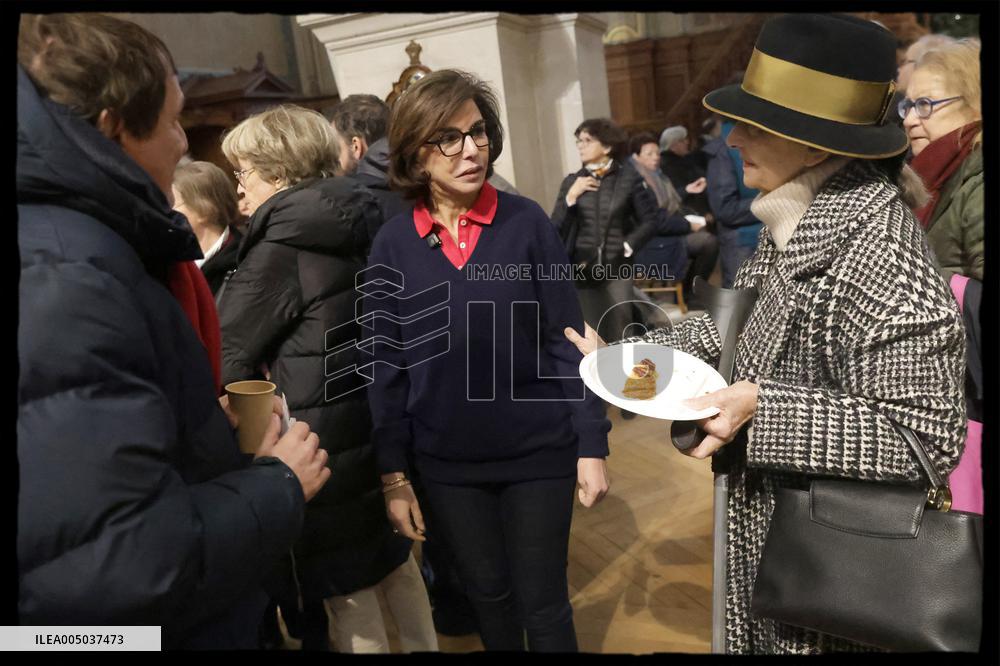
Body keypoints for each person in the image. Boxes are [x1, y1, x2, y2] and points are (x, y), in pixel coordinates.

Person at [566, 14, 965, 654]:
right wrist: (624, 362)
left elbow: (924, 435)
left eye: (754, 125)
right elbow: (731, 330)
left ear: (814, 146)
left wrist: (764, 409)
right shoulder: (793, 223)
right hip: (781, 552)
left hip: (835, 590)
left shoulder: (879, 255)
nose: (729, 139)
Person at [17, 13, 329, 649]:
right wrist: (277, 484)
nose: (185, 142)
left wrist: (197, 428)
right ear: (113, 126)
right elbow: (118, 572)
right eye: (172, 119)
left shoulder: (81, 250)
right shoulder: (65, 273)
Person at [367, 69, 612, 652]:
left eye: (477, 132)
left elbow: (569, 340)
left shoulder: (526, 222)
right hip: (446, 464)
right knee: (489, 600)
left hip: (539, 450)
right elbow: (385, 366)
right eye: (448, 138)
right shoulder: (392, 244)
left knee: (544, 604)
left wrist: (592, 442)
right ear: (414, 154)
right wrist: (394, 476)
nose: (470, 149)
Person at [218, 104, 437, 654]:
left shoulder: (282, 245)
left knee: (349, 597)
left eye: (242, 172)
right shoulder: (368, 212)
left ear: (276, 169)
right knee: (396, 569)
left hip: (318, 445)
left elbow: (225, 355)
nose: (239, 189)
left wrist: (253, 434)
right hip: (380, 426)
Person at [551, 118, 700, 345]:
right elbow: (556, 229)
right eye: (578, 141)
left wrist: (628, 246)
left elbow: (650, 220)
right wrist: (571, 197)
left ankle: (622, 380)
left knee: (621, 332)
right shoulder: (572, 181)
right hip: (581, 270)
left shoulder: (629, 178)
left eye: (587, 140)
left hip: (617, 269)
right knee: (589, 336)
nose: (580, 145)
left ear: (607, 147)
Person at [903, 38, 982, 282]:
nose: (909, 120)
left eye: (925, 104)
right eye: (908, 105)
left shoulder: (978, 183)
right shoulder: (925, 173)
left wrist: (911, 277)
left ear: (974, 104)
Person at [629, 131, 719, 302]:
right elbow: (655, 220)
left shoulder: (657, 176)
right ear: (637, 157)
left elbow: (665, 204)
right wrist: (687, 225)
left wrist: (687, 190)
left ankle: (692, 290)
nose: (655, 157)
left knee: (708, 237)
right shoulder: (637, 181)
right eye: (649, 154)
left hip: (665, 232)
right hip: (651, 242)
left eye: (656, 153)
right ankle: (689, 292)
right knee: (708, 242)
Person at [703, 120, 763, 288]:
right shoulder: (725, 149)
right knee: (739, 304)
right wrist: (770, 202)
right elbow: (725, 209)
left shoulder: (764, 140)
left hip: (767, 234)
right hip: (742, 241)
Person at [172, 160, 244, 295]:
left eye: (172, 204)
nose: (166, 213)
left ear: (204, 210)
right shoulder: (173, 265)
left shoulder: (243, 262)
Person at [331, 93, 391, 177]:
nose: (333, 161)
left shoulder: (346, 188)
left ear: (356, 147)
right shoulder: (408, 177)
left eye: (337, 149)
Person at [659, 125, 710, 215]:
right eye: (682, 140)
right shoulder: (668, 166)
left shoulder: (685, 160)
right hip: (687, 216)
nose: (687, 142)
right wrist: (704, 212)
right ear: (672, 145)